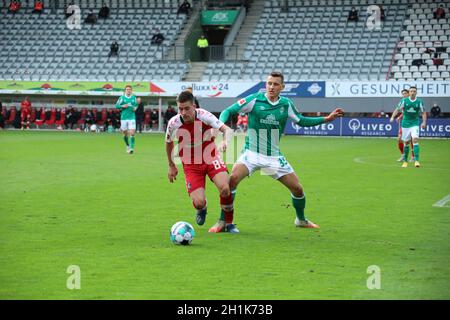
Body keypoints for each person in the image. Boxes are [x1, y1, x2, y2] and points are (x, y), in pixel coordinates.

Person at [208, 71, 344, 233]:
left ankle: (300, 220)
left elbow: (301, 121)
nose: (271, 87)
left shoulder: (286, 104)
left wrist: (326, 119)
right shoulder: (254, 100)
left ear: (282, 87)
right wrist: (220, 127)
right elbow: (228, 111)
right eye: (269, 83)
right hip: (251, 153)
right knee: (232, 181)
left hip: (273, 157)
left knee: (298, 189)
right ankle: (223, 221)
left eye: (275, 84)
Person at [165, 90, 236, 231]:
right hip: (191, 165)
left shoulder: (204, 115)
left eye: (187, 108)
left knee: (225, 188)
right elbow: (168, 143)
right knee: (198, 202)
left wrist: (225, 142)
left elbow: (227, 130)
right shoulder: (173, 123)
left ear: (194, 106)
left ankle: (229, 223)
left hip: (210, 157)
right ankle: (202, 208)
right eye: (180, 109)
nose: (183, 112)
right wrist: (171, 165)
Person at [390, 86, 426, 168]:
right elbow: (397, 109)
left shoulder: (419, 101)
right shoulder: (404, 101)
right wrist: (392, 117)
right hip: (405, 124)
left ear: (416, 92)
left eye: (414, 91)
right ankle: (405, 161)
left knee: (415, 139)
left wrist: (424, 122)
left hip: (415, 123)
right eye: (411, 91)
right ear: (409, 93)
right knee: (406, 142)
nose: (413, 92)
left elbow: (423, 112)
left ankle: (416, 160)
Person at [393, 89, 414, 162]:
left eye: (405, 93)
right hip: (404, 123)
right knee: (399, 139)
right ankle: (403, 155)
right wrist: (398, 117)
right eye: (403, 94)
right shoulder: (402, 101)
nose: (404, 95)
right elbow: (401, 111)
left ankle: (413, 156)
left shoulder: (412, 101)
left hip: (412, 123)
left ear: (408, 94)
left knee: (412, 139)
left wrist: (400, 116)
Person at [115, 85, 138, 154]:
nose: (128, 90)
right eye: (127, 89)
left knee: (132, 133)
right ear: (125, 90)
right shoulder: (122, 98)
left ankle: (131, 148)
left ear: (131, 90)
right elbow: (116, 106)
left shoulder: (134, 97)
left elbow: (136, 105)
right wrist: (123, 106)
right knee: (125, 134)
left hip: (132, 117)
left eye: (130, 89)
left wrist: (135, 108)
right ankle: (127, 145)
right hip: (124, 118)